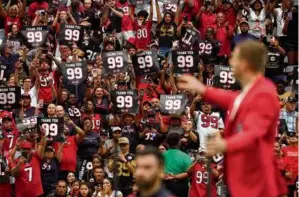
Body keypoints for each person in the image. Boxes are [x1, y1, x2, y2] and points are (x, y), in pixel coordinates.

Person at [176, 40, 288, 197]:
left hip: (256, 183)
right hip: (248, 179)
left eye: (234, 57)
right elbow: (231, 99)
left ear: (244, 63)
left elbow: (253, 133)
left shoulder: (264, 93)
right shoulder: (252, 91)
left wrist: (225, 144)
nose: (230, 62)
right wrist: (201, 88)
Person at [163, 133, 191, 197]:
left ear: (167, 143)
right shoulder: (185, 156)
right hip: (180, 187)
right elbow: (188, 172)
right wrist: (175, 177)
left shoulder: (161, 155)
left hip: (164, 186)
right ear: (179, 142)